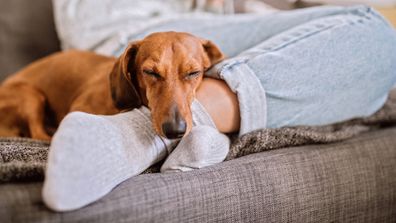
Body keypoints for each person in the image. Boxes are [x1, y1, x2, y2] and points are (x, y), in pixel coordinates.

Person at [43, 4, 396, 211]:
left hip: (210, 18)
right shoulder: (132, 53)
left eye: (193, 76)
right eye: (153, 76)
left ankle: (197, 121)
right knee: (372, 28)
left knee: (379, 42)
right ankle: (140, 135)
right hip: (133, 23)